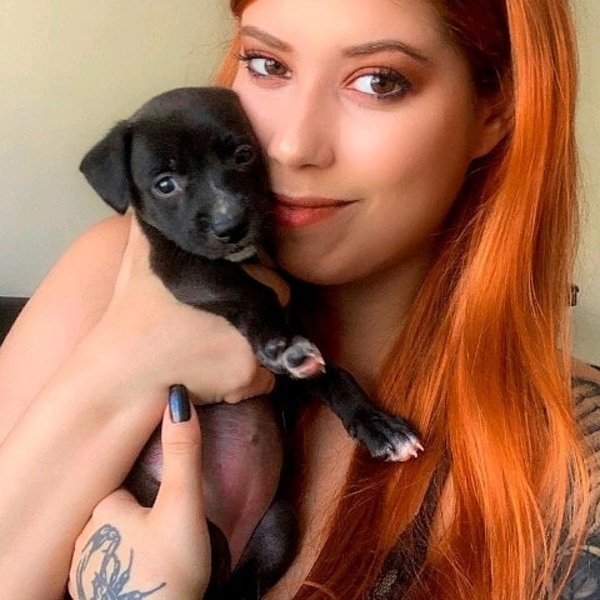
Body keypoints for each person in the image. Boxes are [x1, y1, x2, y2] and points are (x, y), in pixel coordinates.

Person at [0, 0, 599, 598]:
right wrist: (118, 373)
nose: (289, 146)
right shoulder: (110, 275)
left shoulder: (572, 474)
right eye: (267, 64)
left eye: (379, 81)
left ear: (494, 110)